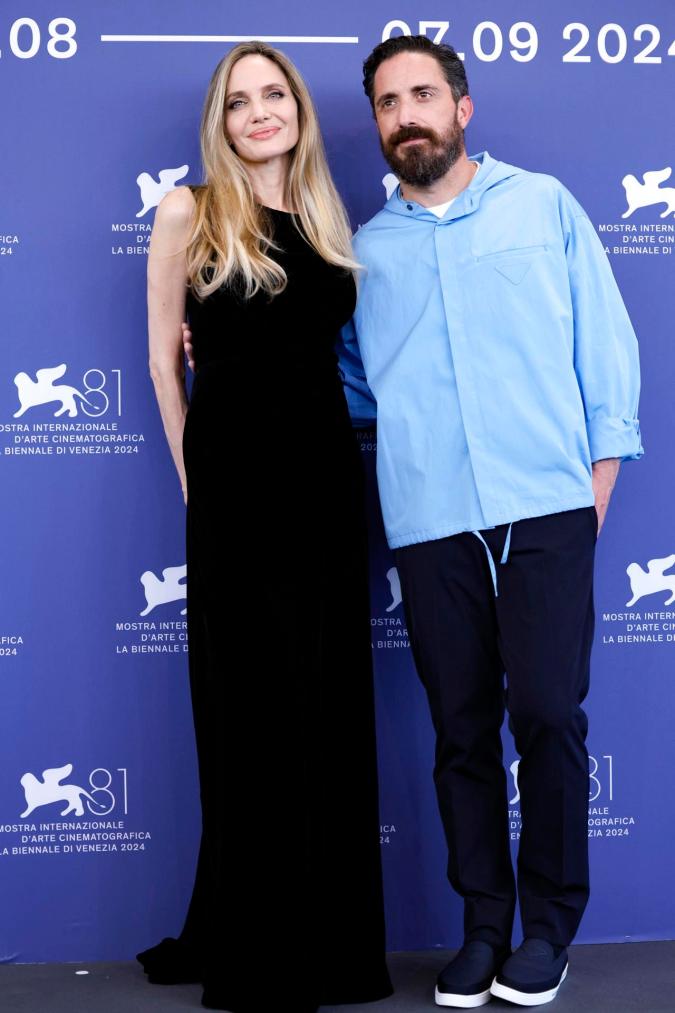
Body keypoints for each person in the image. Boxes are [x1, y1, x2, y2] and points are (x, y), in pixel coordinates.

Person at [336, 34, 642, 1009]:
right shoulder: (366, 252)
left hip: (549, 510)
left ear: (463, 107)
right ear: (380, 125)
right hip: (430, 522)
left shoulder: (541, 205)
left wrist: (590, 500)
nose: (407, 115)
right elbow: (345, 388)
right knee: (461, 730)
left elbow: (609, 351)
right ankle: (482, 924)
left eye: (424, 94)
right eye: (388, 103)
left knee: (549, 717)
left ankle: (548, 926)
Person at [138, 41, 392, 1013]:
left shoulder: (326, 220)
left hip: (327, 485)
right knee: (253, 713)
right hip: (238, 488)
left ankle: (330, 945)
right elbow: (167, 365)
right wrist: (196, 481)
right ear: (221, 120)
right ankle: (259, 946)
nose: (258, 114)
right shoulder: (190, 212)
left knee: (325, 704)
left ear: (297, 109)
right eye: (239, 102)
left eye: (273, 95)